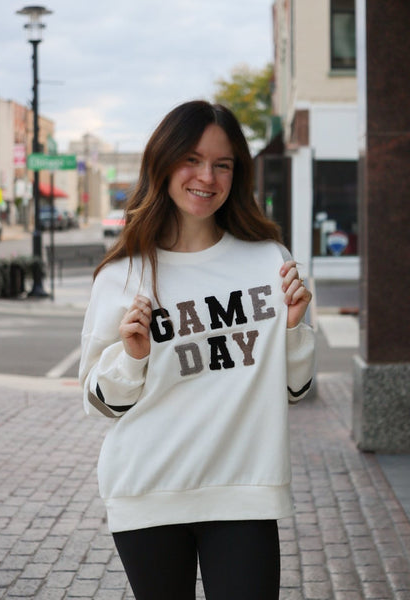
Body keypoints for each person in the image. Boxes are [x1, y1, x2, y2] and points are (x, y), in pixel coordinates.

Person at [79, 100, 315, 600]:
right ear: (162, 163)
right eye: (191, 158)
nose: (206, 176)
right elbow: (100, 401)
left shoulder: (269, 260)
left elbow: (296, 389)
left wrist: (294, 330)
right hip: (147, 489)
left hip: (244, 490)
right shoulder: (123, 275)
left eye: (222, 163)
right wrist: (134, 356)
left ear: (237, 173)